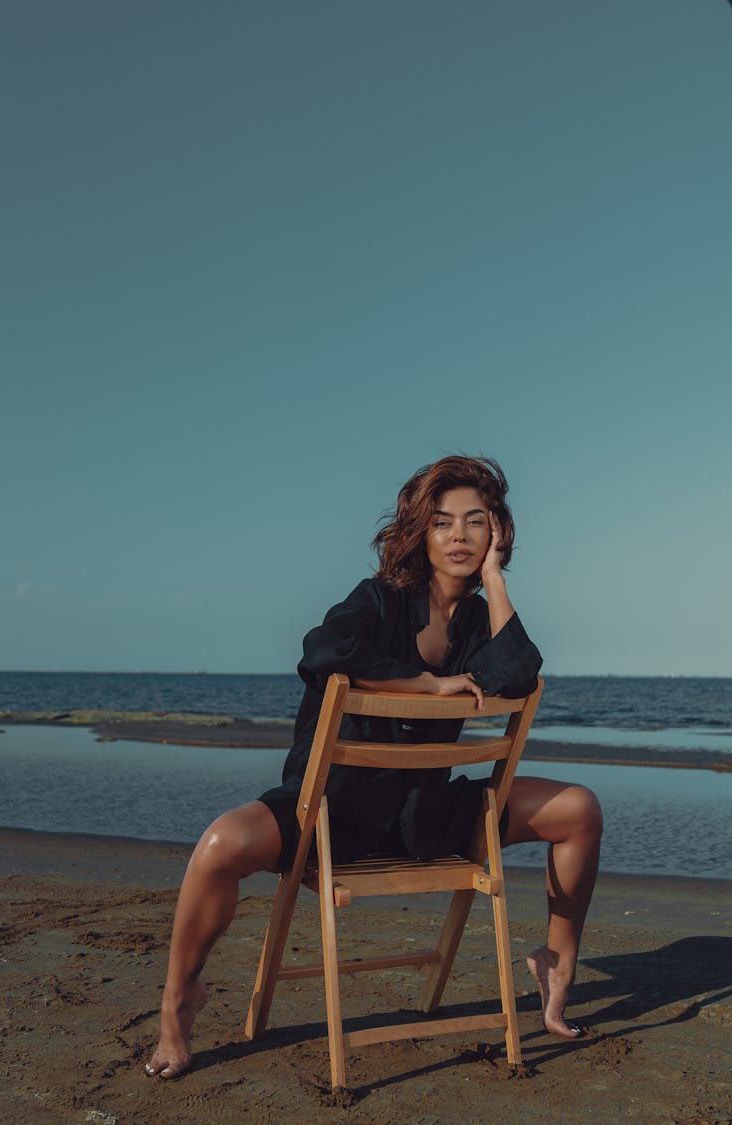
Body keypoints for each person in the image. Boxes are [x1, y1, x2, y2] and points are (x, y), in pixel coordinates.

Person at [146, 455, 603, 1080]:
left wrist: (495, 581)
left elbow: (518, 674)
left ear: (496, 531)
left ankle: (557, 964)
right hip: (332, 817)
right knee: (221, 842)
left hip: (424, 818)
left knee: (579, 808)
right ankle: (179, 1001)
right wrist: (426, 685)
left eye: (477, 522)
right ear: (420, 532)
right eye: (443, 522)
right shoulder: (378, 600)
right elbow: (321, 650)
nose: (460, 536)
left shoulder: (476, 620)